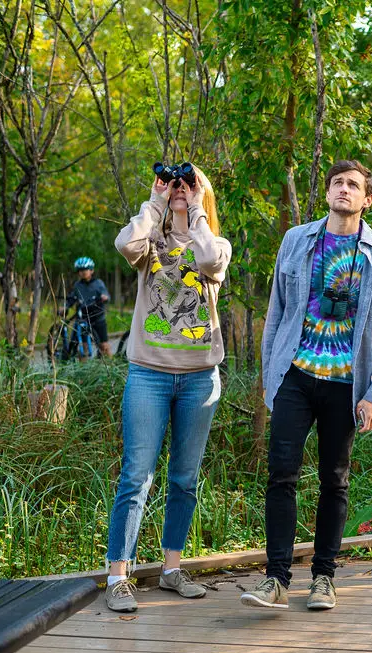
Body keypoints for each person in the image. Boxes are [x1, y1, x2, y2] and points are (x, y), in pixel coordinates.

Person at [242, 160, 372, 610]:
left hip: (347, 384)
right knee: (281, 473)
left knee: (335, 479)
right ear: (327, 192)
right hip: (295, 374)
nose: (344, 190)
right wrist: (271, 378)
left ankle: (324, 578)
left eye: (353, 185)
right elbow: (276, 313)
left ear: (367, 199)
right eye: (337, 183)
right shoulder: (297, 240)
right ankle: (275, 579)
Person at [105, 164, 231, 612]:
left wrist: (194, 208)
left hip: (199, 378)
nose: (180, 187)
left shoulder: (215, 243)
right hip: (149, 374)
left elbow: (210, 260)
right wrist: (157, 200)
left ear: (202, 195)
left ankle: (172, 568)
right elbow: (125, 243)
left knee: (184, 478)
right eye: (175, 181)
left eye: (188, 183)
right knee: (136, 475)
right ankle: (118, 574)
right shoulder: (150, 245)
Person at [64, 257, 112, 356]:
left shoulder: (98, 283)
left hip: (98, 317)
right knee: (83, 346)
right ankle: (84, 369)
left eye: (85, 269)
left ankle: (111, 366)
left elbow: (106, 295)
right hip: (84, 318)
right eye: (80, 270)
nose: (83, 272)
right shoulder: (77, 285)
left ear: (91, 270)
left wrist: (105, 297)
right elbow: (71, 299)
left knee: (104, 346)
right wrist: (65, 307)